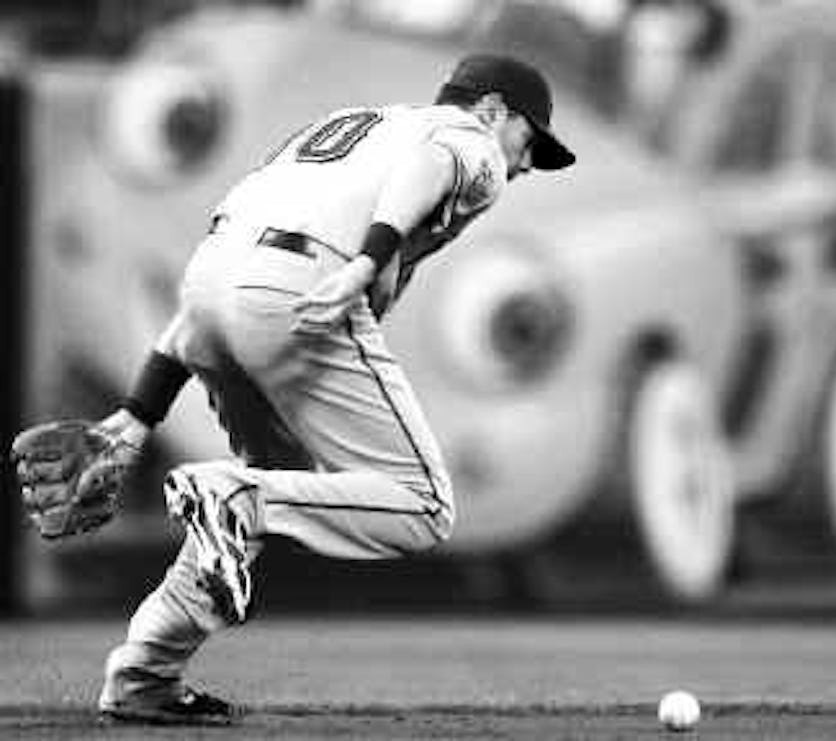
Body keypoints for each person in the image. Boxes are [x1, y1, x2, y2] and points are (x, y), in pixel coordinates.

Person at [95, 53, 575, 724]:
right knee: (422, 505)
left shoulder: (350, 130)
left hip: (212, 284)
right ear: (494, 108)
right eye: (530, 140)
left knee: (273, 479)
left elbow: (231, 268)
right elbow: (437, 163)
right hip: (302, 287)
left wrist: (138, 413)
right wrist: (367, 260)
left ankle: (144, 675)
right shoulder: (471, 139)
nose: (525, 163)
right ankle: (233, 500)